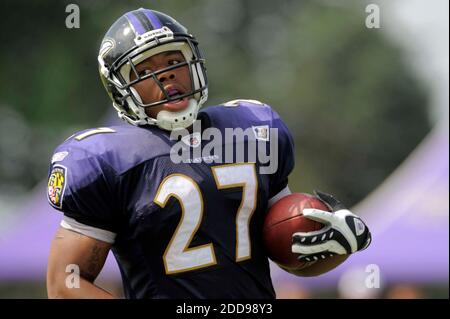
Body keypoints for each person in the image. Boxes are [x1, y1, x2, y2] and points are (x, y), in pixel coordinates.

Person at [46, 8, 371, 299]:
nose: (167, 75)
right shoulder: (108, 159)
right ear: (122, 90)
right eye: (145, 70)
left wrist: (332, 244)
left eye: (174, 62)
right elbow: (64, 283)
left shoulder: (253, 131)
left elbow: (289, 256)